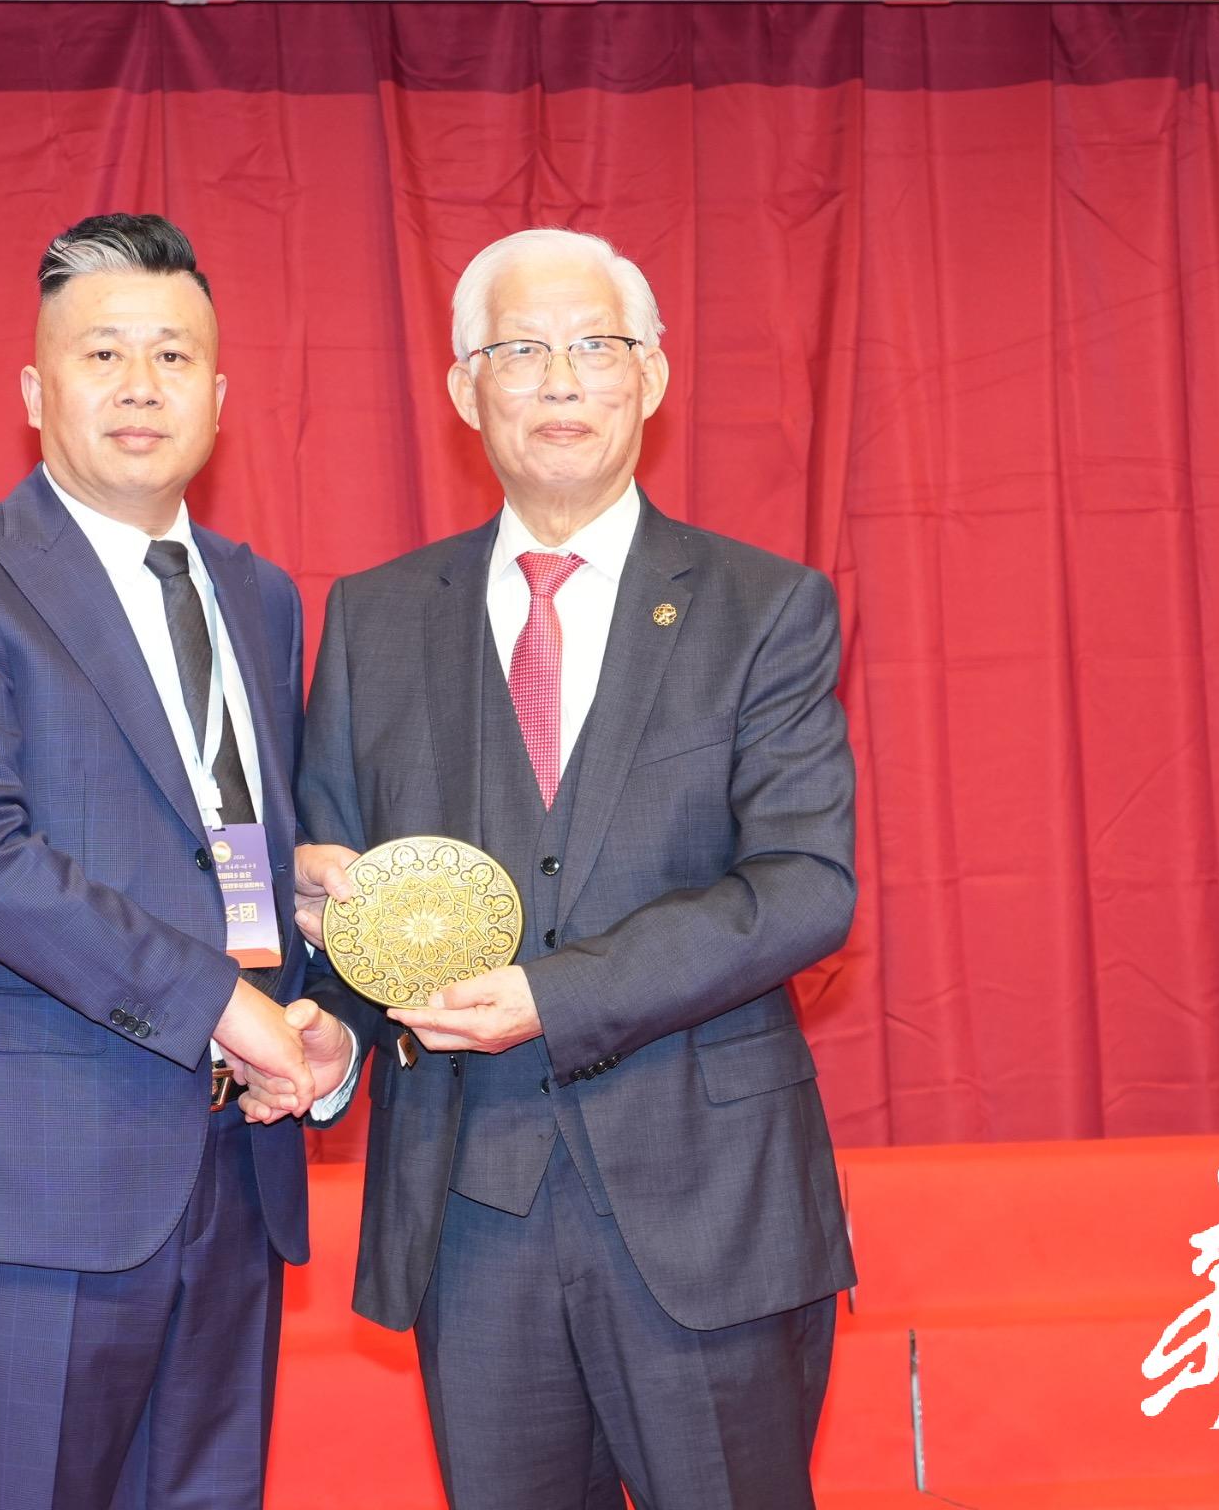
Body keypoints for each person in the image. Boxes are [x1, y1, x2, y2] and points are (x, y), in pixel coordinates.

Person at [292, 227, 858, 1510]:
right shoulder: (376, 616)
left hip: (708, 1199)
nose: (559, 379)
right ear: (463, 389)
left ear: (651, 375)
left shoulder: (764, 606)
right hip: (470, 1206)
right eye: (519, 350)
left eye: (595, 346)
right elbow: (353, 886)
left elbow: (804, 883)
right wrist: (329, 1013)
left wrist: (555, 994)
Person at [0, 212, 360, 1510]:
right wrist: (223, 1002)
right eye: (103, 354)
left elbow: (218, 843)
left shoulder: (259, 595)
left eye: (173, 356)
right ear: (36, 394)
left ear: (221, 399)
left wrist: (307, 966)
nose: (142, 385)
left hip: (239, 1167)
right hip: (42, 1174)